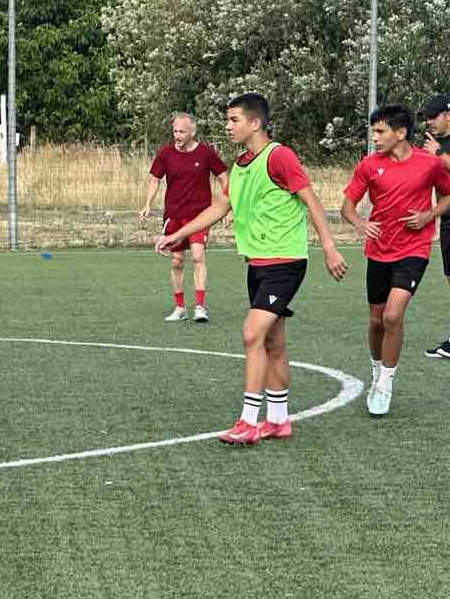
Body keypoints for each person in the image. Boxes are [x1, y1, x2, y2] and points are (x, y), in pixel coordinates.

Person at [155, 92, 347, 445]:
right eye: (227, 120)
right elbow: (219, 207)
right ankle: (278, 421)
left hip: (284, 263)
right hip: (257, 263)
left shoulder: (279, 156)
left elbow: (311, 201)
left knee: (251, 334)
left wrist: (329, 247)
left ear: (255, 123)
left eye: (234, 120)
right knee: (273, 341)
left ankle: (247, 421)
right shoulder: (242, 164)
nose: (228, 126)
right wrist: (177, 234)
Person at [339, 104, 450, 415]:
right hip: (379, 251)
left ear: (400, 133)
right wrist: (361, 224)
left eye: (380, 131)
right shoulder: (368, 165)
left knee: (392, 316)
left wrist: (429, 215)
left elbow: (447, 195)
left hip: (414, 250)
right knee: (376, 322)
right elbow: (347, 206)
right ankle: (376, 371)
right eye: (373, 131)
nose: (374, 137)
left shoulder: (429, 163)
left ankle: (385, 384)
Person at [140, 113, 228, 323]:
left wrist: (228, 207)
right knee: (177, 261)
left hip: (199, 216)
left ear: (192, 132)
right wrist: (147, 203)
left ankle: (200, 307)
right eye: (175, 131)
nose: (177, 135)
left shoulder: (206, 153)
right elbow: (154, 179)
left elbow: (224, 178)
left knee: (198, 256)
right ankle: (180, 308)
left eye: (182, 132)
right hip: (174, 215)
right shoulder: (166, 153)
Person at [418, 93, 450, 358]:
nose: (428, 122)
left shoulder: (438, 147)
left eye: (433, 117)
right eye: (426, 118)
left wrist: (439, 154)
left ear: (448, 115)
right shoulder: (433, 142)